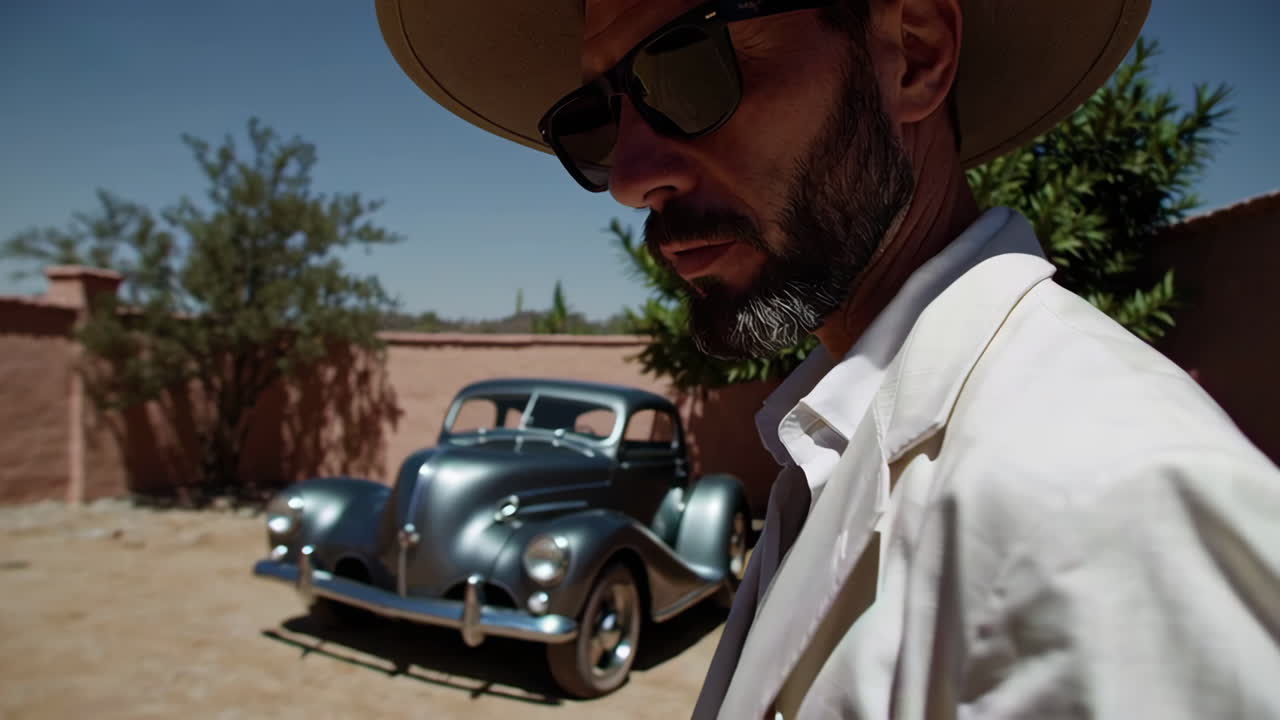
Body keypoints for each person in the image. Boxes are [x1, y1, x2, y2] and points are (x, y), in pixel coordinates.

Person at [375, 0, 1280, 716]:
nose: (625, 176)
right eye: (594, 120)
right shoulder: (839, 440)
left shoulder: (1107, 503)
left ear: (914, 55)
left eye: (687, 67)